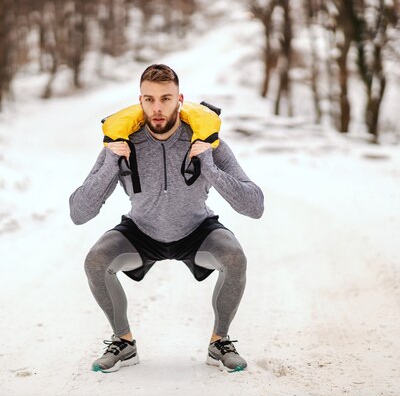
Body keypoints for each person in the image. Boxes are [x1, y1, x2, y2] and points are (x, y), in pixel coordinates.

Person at [69, 64, 264, 373]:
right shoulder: (123, 143)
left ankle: (219, 342)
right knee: (96, 261)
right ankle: (124, 342)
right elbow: (79, 213)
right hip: (141, 232)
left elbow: (255, 206)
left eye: (165, 98)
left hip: (197, 231)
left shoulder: (206, 140)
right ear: (140, 100)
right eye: (149, 99)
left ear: (179, 99)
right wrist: (110, 160)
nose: (157, 108)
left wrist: (209, 164)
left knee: (234, 257)